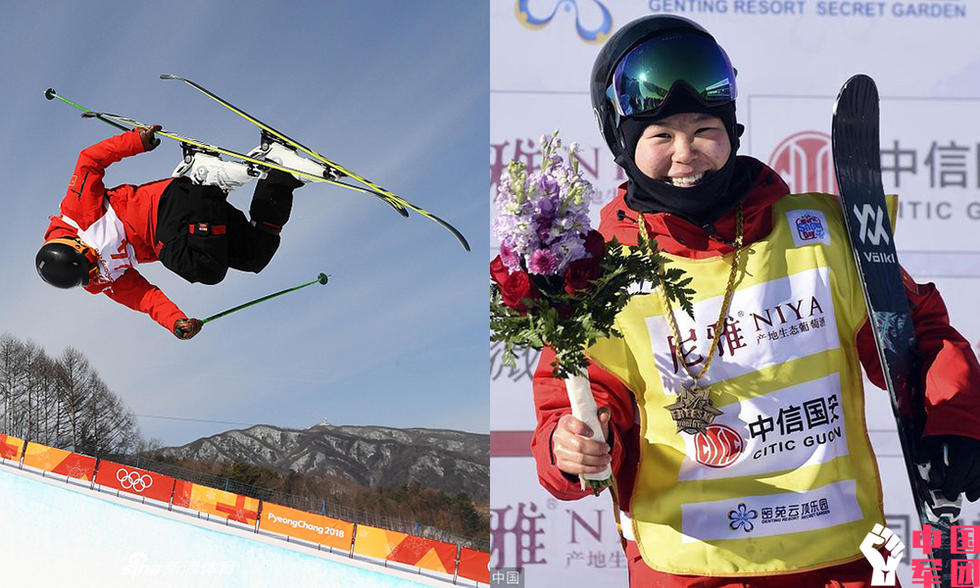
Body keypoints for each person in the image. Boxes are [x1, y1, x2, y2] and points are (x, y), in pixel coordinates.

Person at [530, 15, 980, 587]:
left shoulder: (820, 234)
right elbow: (580, 402)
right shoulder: (596, 276)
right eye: (661, 135)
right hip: (690, 567)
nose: (687, 152)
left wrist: (955, 415)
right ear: (623, 143)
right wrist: (571, 448)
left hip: (835, 558)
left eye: (704, 129)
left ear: (733, 130)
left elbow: (915, 335)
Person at [37, 125, 324, 339]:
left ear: (74, 243)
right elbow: (145, 299)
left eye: (90, 260)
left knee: (199, 266)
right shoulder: (103, 281)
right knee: (254, 257)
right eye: (91, 273)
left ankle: (206, 180)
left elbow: (89, 160)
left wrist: (135, 141)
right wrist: (175, 321)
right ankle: (278, 173)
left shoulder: (77, 210)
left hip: (168, 205)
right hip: (196, 222)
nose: (97, 267)